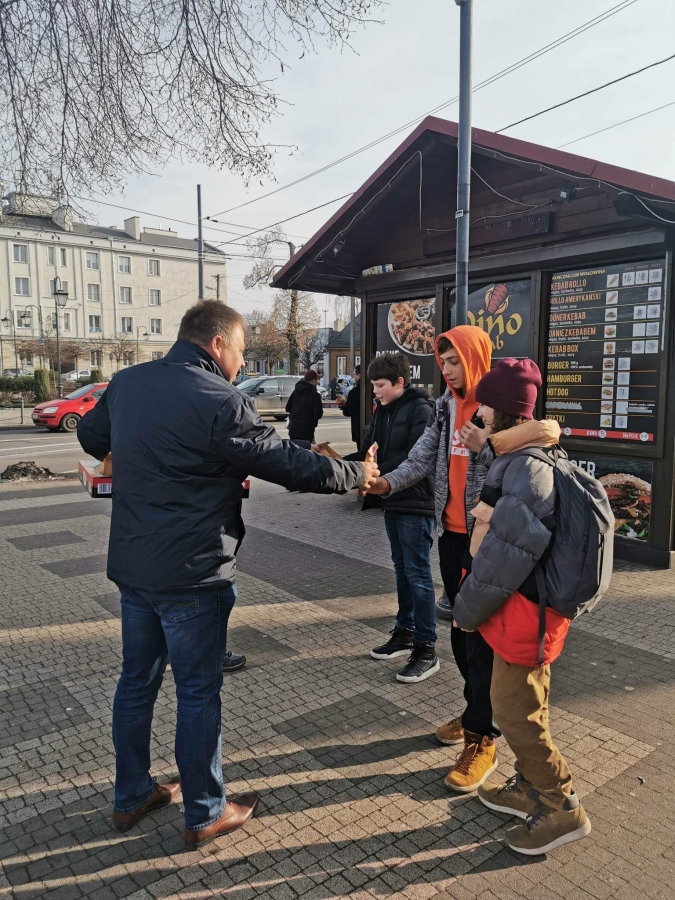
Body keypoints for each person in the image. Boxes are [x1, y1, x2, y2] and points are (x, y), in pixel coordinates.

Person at [77, 301, 379, 849]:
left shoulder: (126, 383)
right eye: (240, 351)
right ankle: (206, 812)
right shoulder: (220, 398)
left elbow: (94, 439)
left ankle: (130, 795)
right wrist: (356, 472)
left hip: (134, 568)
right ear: (217, 343)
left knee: (135, 683)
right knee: (197, 692)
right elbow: (288, 465)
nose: (241, 363)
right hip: (194, 573)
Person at [451, 358, 591, 856]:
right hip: (525, 611)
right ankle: (531, 787)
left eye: (486, 405)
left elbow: (503, 559)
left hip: (526, 614)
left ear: (505, 410)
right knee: (525, 706)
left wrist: (465, 610)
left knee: (516, 714)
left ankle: (560, 806)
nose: (479, 413)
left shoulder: (526, 468)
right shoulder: (520, 455)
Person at [366, 326, 500, 792]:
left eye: (455, 360)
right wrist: (386, 483)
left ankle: (484, 737)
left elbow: (523, 463)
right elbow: (422, 457)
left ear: (476, 358)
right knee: (461, 635)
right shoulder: (444, 407)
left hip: (488, 540)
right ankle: (474, 710)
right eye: (442, 362)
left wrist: (489, 445)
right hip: (451, 536)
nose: (447, 370)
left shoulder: (497, 406)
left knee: (482, 641)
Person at [345, 353, 436, 683]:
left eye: (380, 385)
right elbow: (369, 453)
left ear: (400, 382)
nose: (375, 391)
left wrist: (375, 475)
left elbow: (414, 459)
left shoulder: (421, 410)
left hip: (415, 502)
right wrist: (338, 465)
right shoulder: (381, 411)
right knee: (402, 570)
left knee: (418, 574)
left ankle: (426, 648)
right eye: (372, 385)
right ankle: (405, 632)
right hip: (391, 500)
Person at [286, 370, 323, 443]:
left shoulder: (296, 392)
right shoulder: (315, 395)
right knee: (306, 449)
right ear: (312, 381)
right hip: (307, 429)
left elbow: (288, 408)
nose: (317, 381)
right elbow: (318, 414)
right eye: (317, 379)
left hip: (293, 427)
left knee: (294, 448)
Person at [341, 365, 361, 447]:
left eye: (354, 374)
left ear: (359, 375)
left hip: (358, 427)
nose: (353, 377)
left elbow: (348, 411)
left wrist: (343, 405)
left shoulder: (354, 392)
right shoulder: (371, 388)